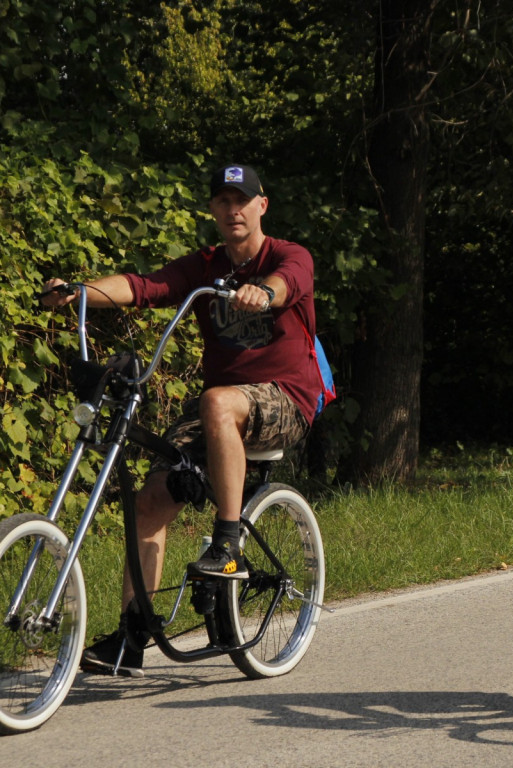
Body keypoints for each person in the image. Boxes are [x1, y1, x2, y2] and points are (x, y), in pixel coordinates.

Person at [42, 164, 322, 677]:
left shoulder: (287, 255)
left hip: (285, 397)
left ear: (262, 205)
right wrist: (80, 291)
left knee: (216, 402)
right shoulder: (205, 266)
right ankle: (133, 636)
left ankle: (228, 545)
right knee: (150, 500)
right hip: (222, 403)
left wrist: (264, 292)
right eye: (223, 201)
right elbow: (145, 286)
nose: (233, 210)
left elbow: (289, 283)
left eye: (243, 200)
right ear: (213, 209)